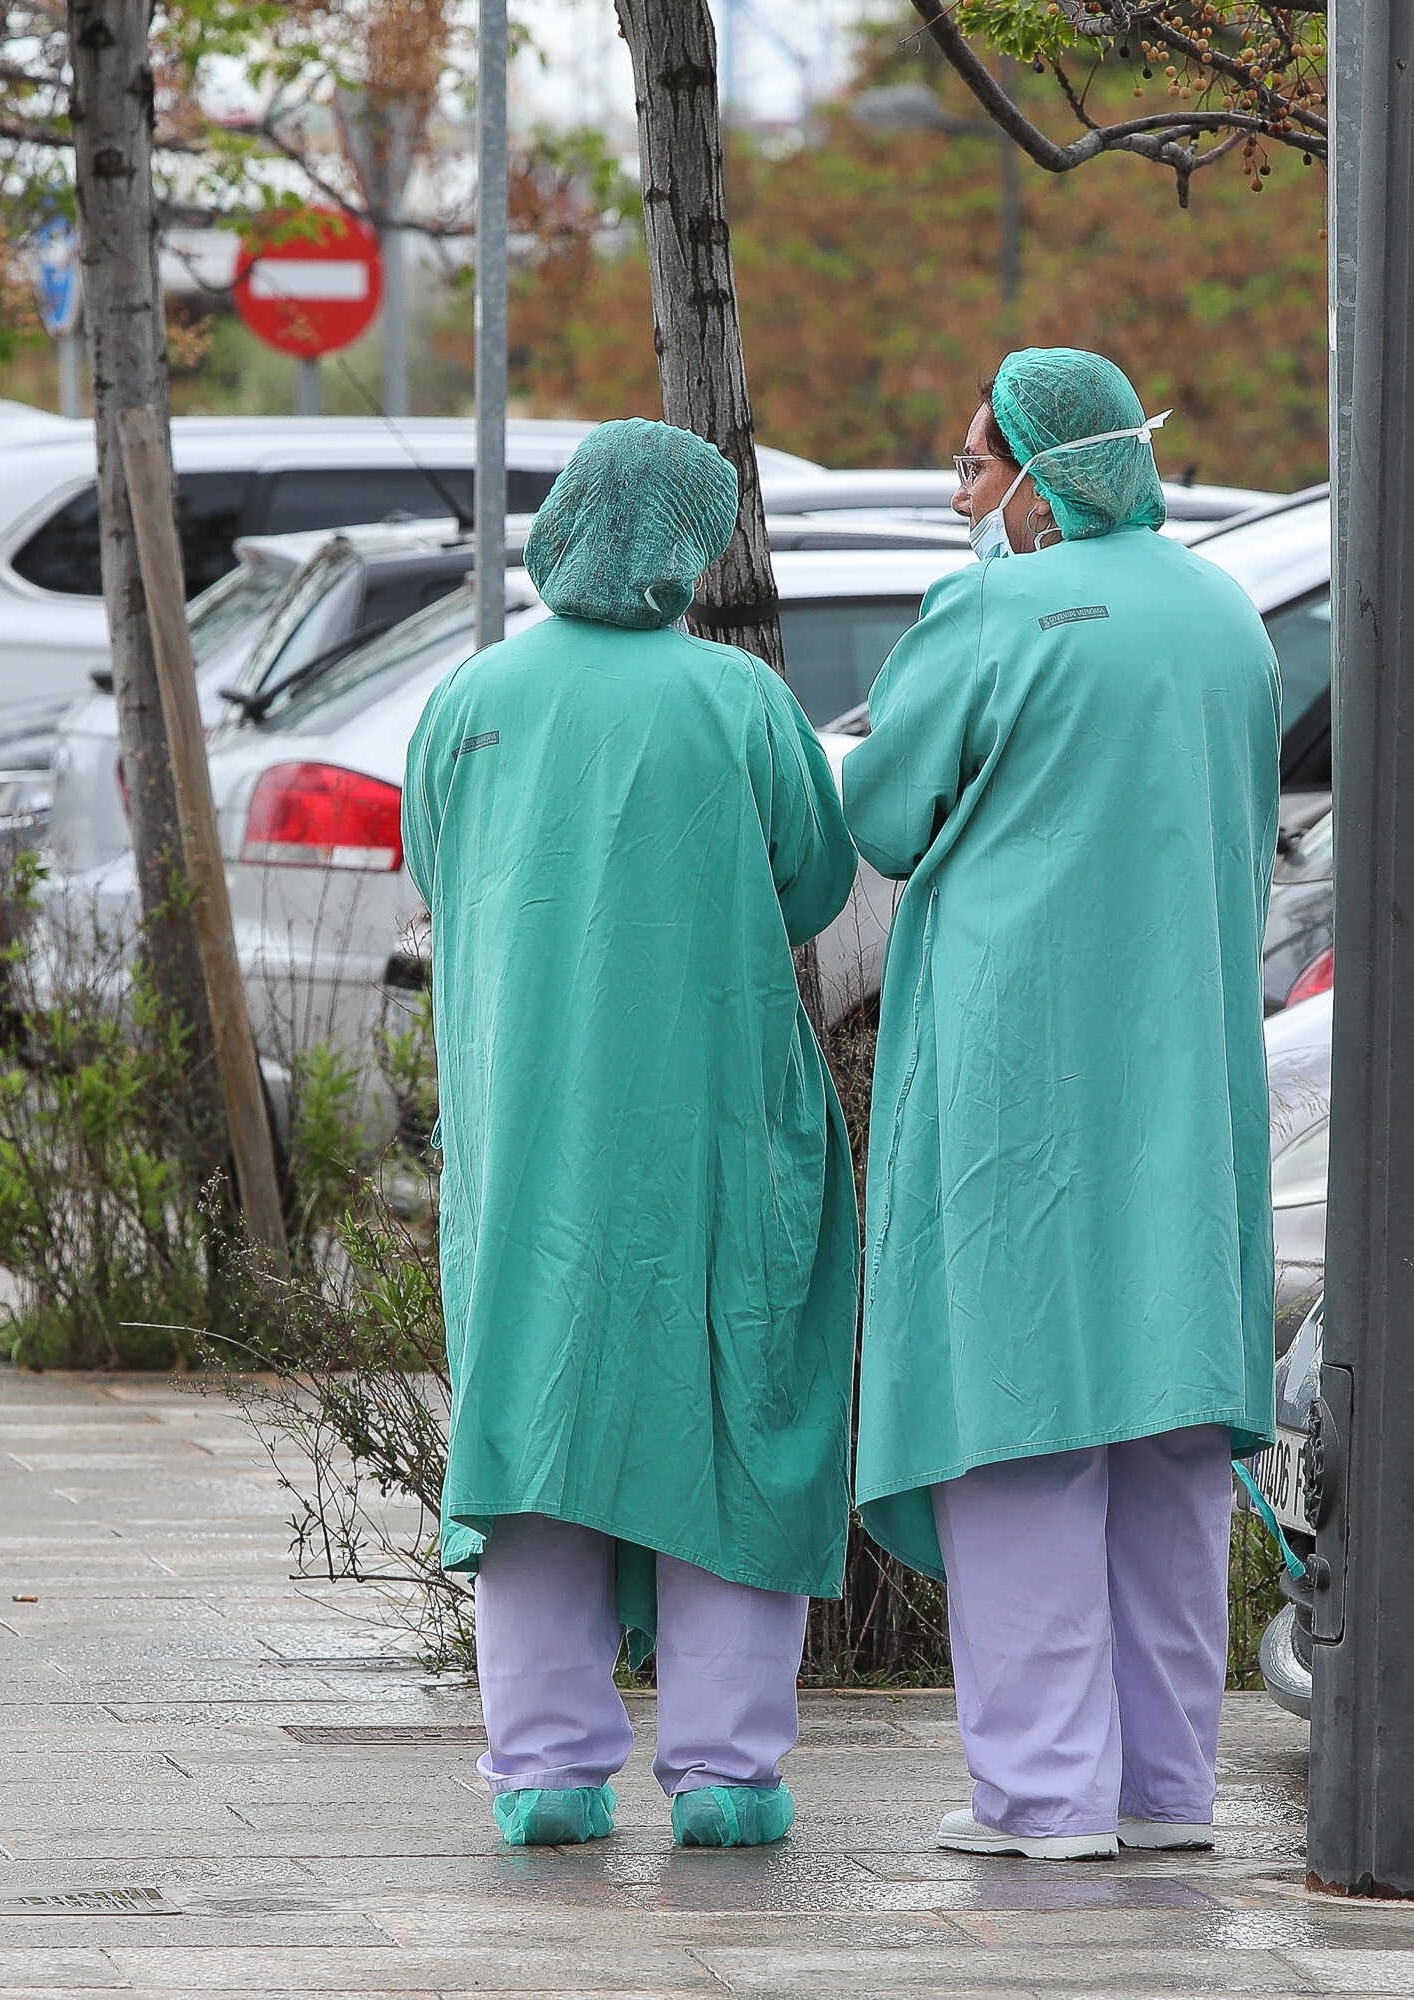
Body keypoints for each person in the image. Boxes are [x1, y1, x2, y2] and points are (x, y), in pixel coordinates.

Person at [842, 349, 1281, 1861]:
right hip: (1185, 1071)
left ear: (1040, 468)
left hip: (1021, 1072)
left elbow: (886, 816)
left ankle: (1043, 1798)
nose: (968, 495)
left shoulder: (994, 610)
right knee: (1167, 1435)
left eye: (976, 464)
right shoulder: (1225, 613)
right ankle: (1167, 1795)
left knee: (1019, 1423)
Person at [403, 417, 862, 1851]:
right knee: (733, 1414)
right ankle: (726, 1771)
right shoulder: (737, 703)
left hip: (523, 1125)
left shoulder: (469, 697)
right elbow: (814, 881)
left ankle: (544, 1768)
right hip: (716, 1121)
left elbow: (437, 866)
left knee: (535, 1420)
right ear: (690, 539)